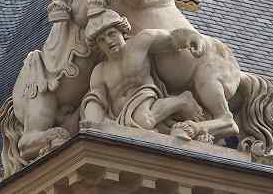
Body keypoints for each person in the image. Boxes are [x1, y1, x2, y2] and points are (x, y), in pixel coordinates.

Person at [80, 9, 205, 137]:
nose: (108, 41)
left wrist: (192, 37)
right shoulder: (99, 71)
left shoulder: (140, 42)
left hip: (143, 95)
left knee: (144, 121)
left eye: (111, 34)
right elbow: (96, 99)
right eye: (101, 40)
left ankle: (183, 100)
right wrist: (92, 121)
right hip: (117, 115)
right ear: (98, 46)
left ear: (122, 31)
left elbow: (171, 39)